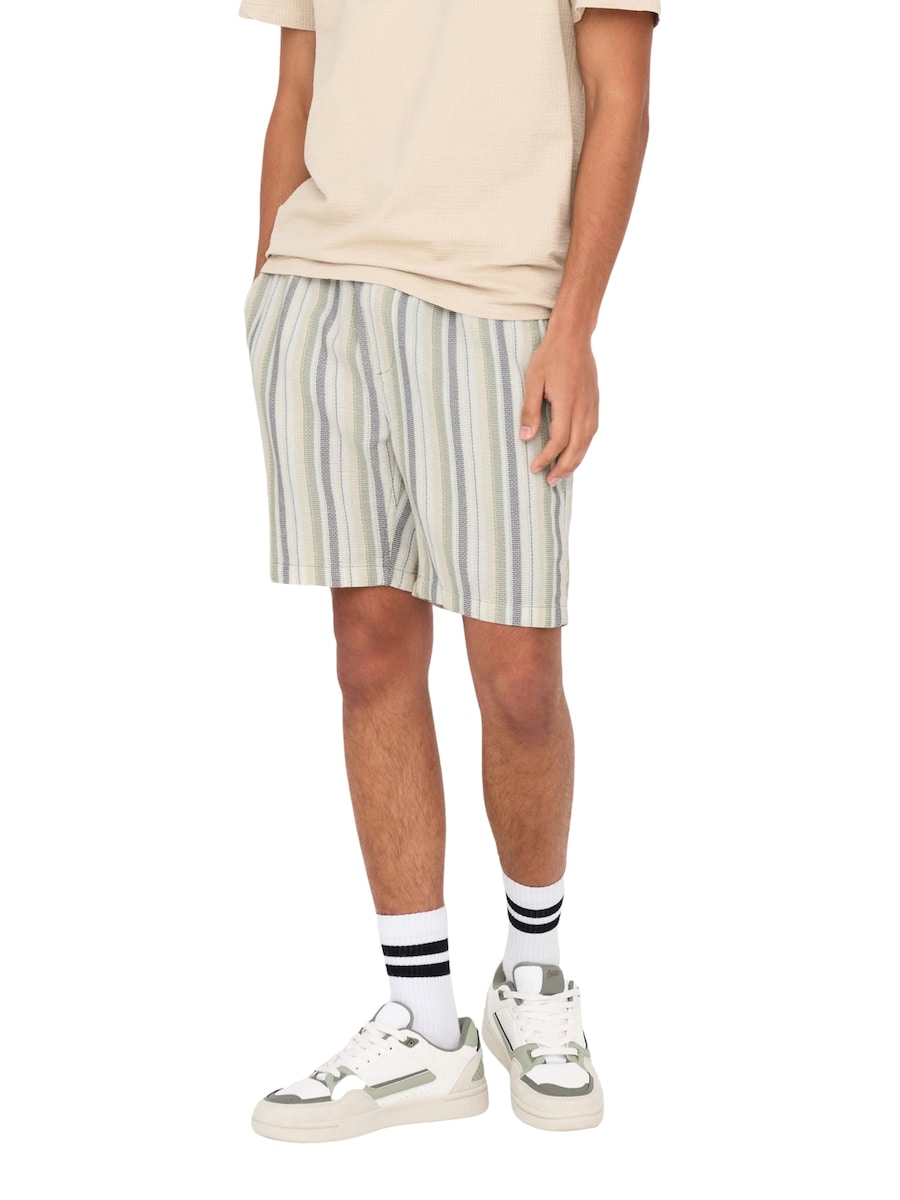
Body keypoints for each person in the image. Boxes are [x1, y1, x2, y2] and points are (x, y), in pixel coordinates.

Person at [239, 0, 659, 1141]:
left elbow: (621, 94)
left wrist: (573, 328)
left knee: (518, 675)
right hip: (323, 294)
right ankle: (425, 1025)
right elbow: (297, 85)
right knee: (368, 654)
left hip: (500, 302)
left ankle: (533, 978)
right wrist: (266, 285)